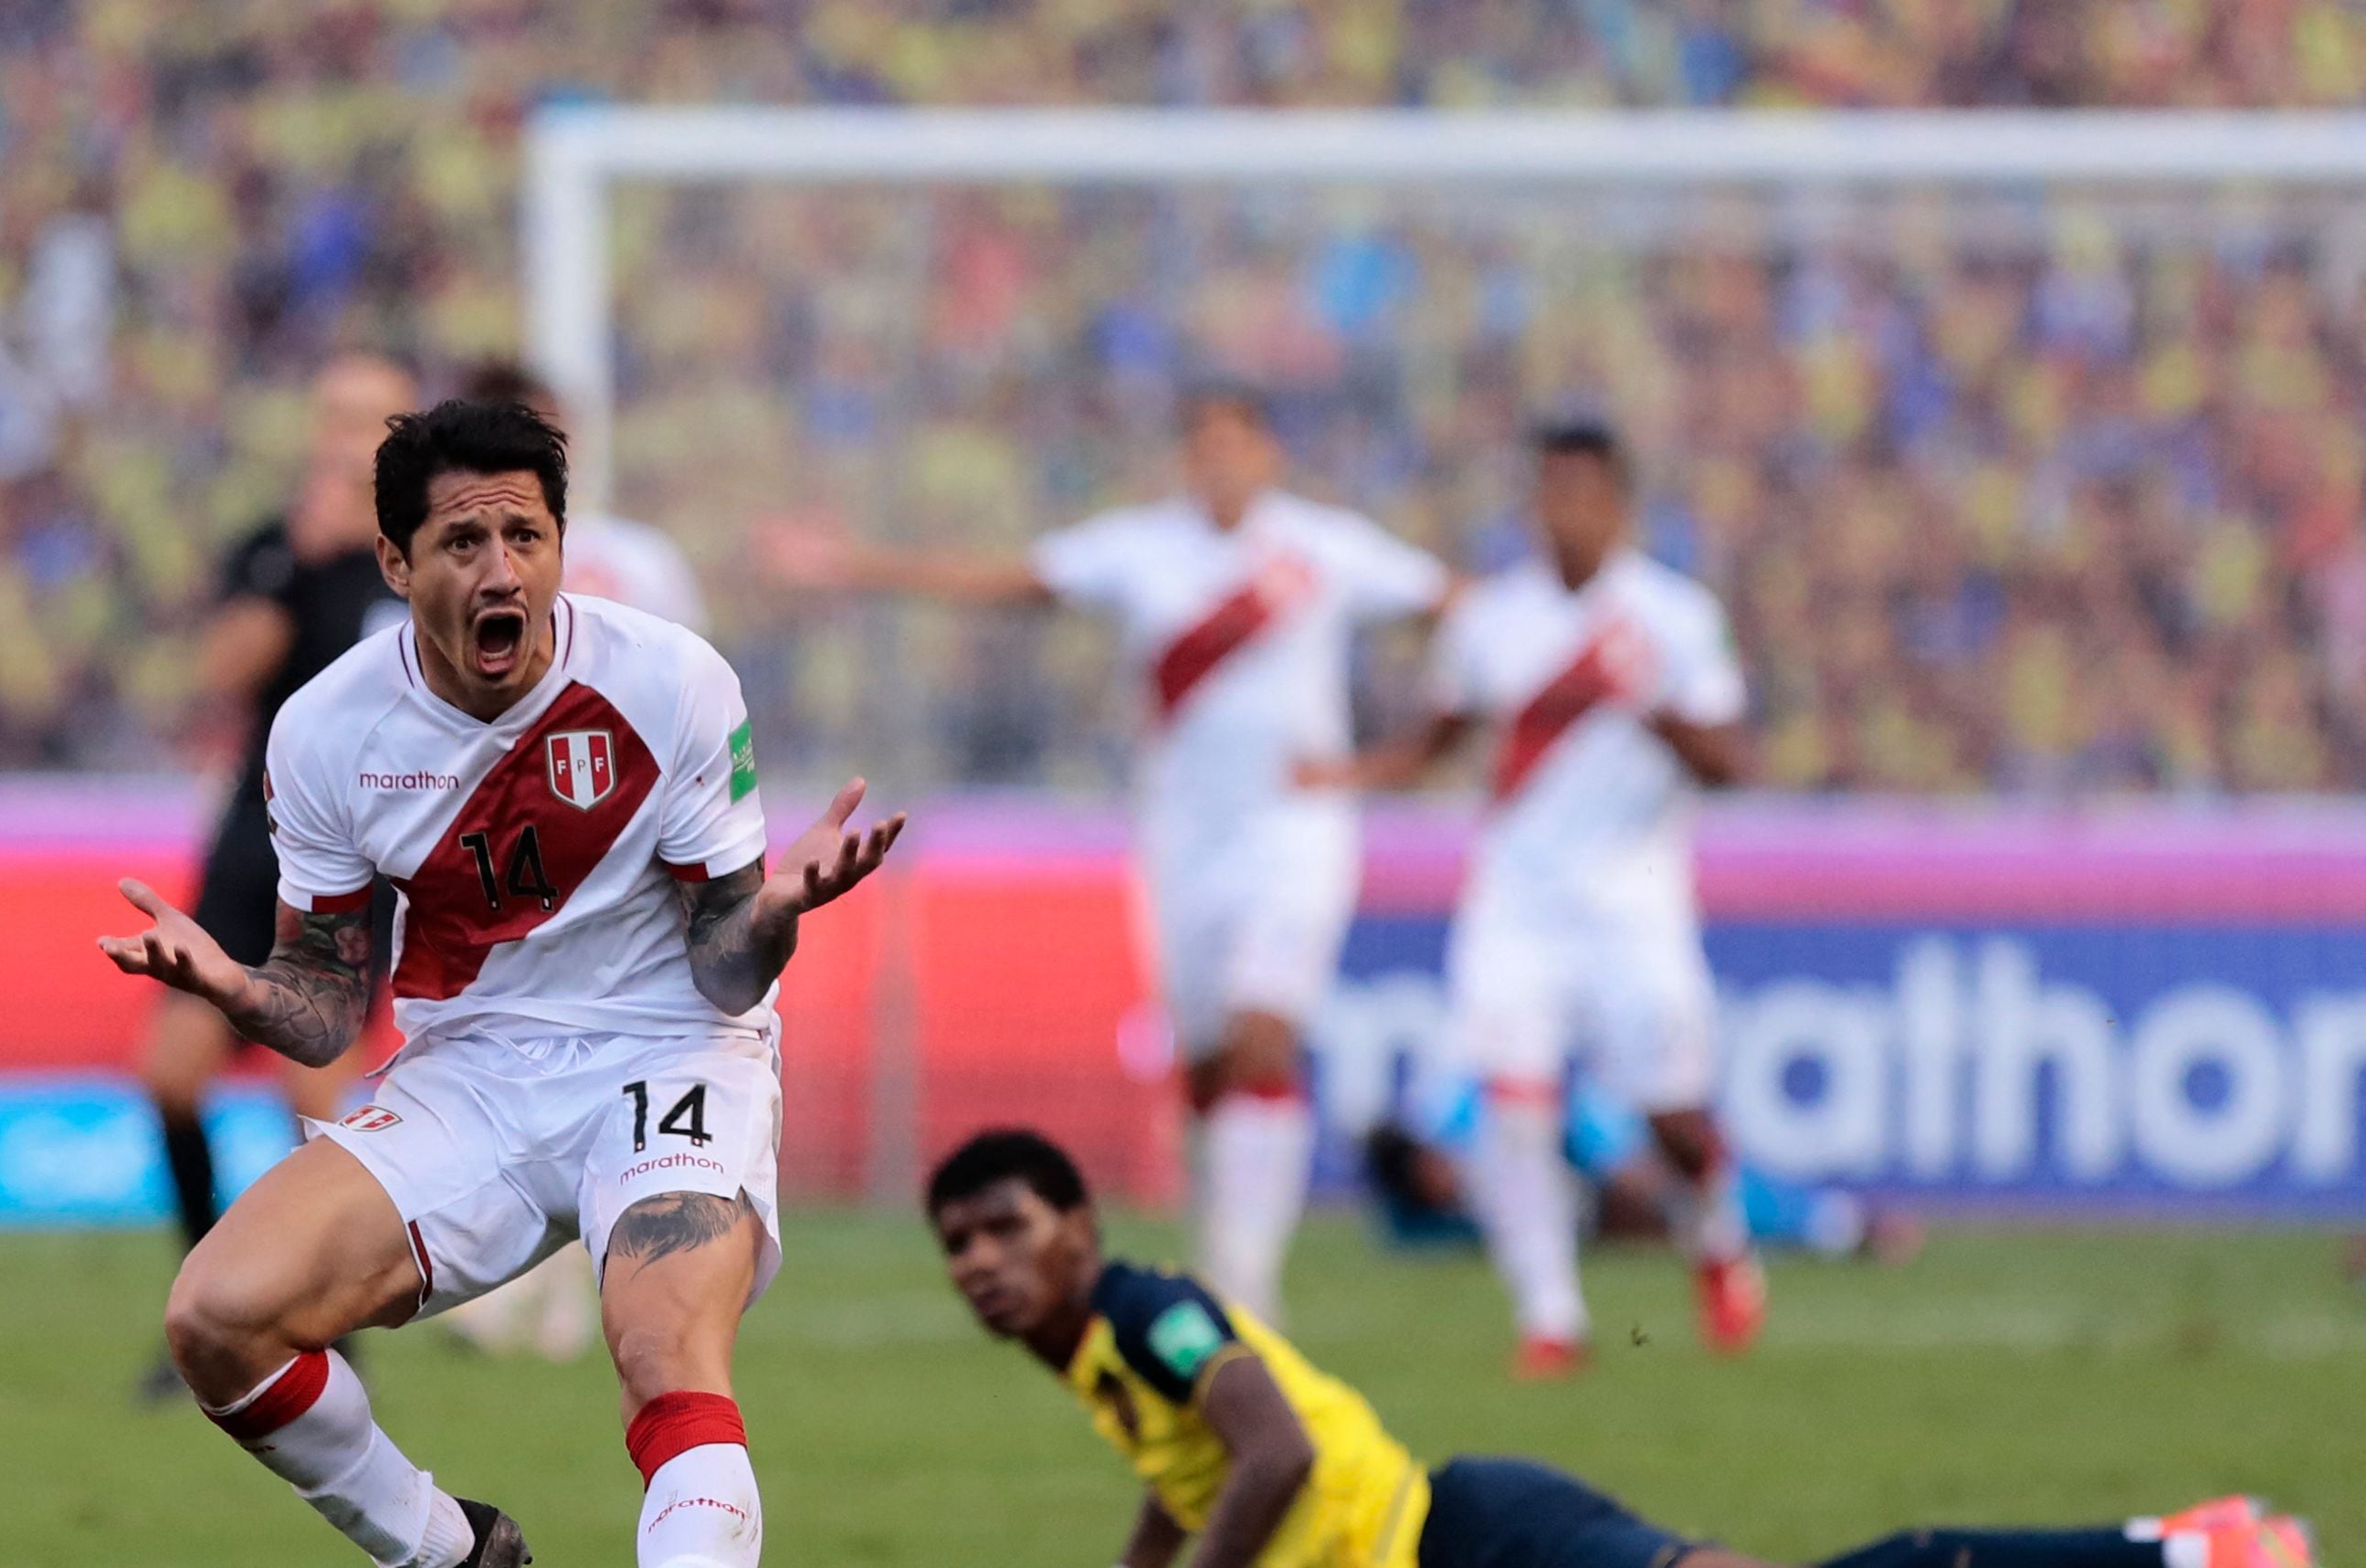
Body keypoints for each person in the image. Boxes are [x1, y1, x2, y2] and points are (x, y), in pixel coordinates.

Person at [99, 399, 902, 1568]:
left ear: (559, 545)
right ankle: (448, 1553)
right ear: (398, 560)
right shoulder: (330, 729)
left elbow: (721, 956)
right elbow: (330, 1005)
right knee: (216, 1314)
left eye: (523, 534)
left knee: (663, 1344)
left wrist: (780, 910)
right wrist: (228, 986)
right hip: (471, 1070)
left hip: (674, 1044)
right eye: (460, 539)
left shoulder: (666, 679)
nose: (499, 569)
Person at [927, 1129, 2325, 1568]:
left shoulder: (1147, 1312)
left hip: (1475, 1545)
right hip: (1458, 1558)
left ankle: (2197, 1549)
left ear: (1078, 1228)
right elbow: (1186, 1470)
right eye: (958, 1244)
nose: (981, 1261)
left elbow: (1271, 1452)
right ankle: (2193, 1550)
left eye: (1004, 1226)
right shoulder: (1113, 1342)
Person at [763, 384, 1447, 1329]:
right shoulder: (1142, 551)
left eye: (1233, 444)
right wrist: (856, 565)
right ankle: (1223, 1243)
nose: (1217, 463)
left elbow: (1457, 610)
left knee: (1262, 1036)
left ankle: (1244, 1284)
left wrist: (1394, 759)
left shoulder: (1325, 548)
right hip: (1180, 837)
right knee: (1208, 1064)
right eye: (1200, 444)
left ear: (1265, 456)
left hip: (1294, 831)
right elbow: (1011, 585)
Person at [1342, 421, 1759, 1378]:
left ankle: (1718, 1240)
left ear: (1617, 506)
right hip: (1514, 900)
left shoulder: (1674, 617)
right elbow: (1439, 735)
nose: (1562, 513)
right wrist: (1344, 774)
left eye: (1582, 494)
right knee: (1513, 1104)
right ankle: (1550, 1313)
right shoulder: (1490, 618)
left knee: (1673, 1119)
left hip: (1631, 899)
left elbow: (1726, 762)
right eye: (1548, 494)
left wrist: (1647, 699)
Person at [134, 351, 416, 1399]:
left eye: (365, 417)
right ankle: (207, 1297)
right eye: (330, 413)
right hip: (254, 837)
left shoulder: (425, 551)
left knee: (318, 1088)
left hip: (355, 847)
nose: (343, 436)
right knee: (169, 1074)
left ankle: (323, 1316)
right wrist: (295, 560)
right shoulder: (276, 542)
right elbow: (223, 674)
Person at [437, 357, 711, 1364]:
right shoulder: (447, 556)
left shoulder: (637, 561)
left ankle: (563, 1292)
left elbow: (693, 695)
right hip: (504, 846)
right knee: (505, 1052)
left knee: (600, 1059)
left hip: (622, 846)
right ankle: (507, 1280)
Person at [1359, 1079, 1921, 1265]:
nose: (1441, 1186)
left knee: (1688, 1198)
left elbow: (1561, 1107)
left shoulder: (1469, 1118)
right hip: (1578, 1212)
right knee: (1675, 1223)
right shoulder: (1419, 1221)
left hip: (1590, 1163)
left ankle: (1841, 1225)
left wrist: (1620, 1169)